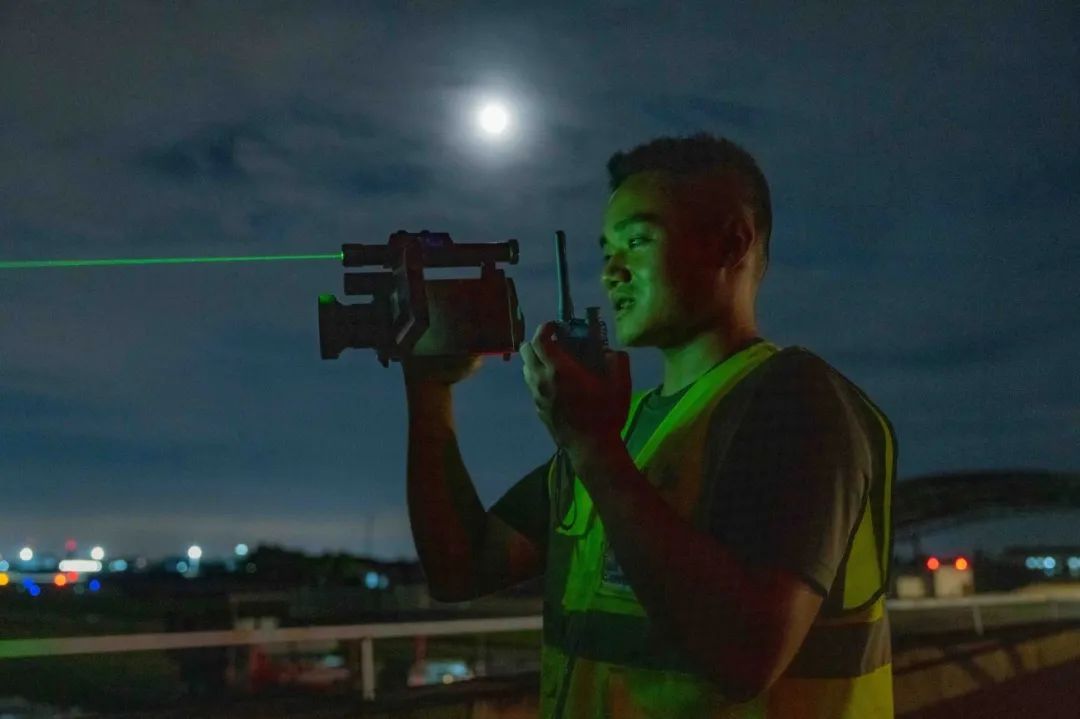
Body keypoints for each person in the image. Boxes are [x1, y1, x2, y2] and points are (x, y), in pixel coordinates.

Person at [403, 133, 897, 718]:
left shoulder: (796, 401)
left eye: (637, 240)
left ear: (732, 242)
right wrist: (429, 389)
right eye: (606, 248)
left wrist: (592, 447)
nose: (611, 270)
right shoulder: (623, 427)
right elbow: (461, 567)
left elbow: (746, 654)